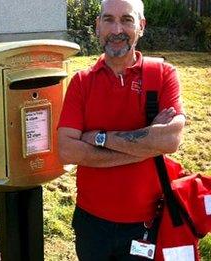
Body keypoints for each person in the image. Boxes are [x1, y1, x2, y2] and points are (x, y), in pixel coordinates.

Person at [57, 0, 186, 260]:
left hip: (146, 224)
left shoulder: (162, 74)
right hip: (91, 224)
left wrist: (98, 138)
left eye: (127, 20)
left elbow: (170, 140)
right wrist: (147, 145)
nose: (117, 29)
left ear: (141, 26)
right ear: (98, 26)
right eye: (109, 20)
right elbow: (67, 150)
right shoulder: (82, 82)